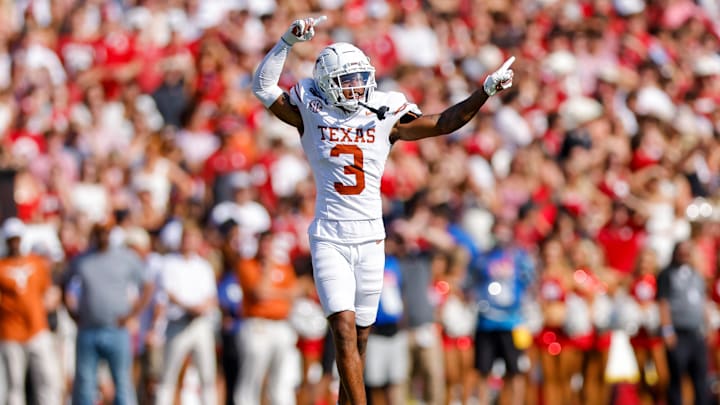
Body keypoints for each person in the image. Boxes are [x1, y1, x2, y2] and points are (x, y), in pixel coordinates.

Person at [252, 15, 515, 405]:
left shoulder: (383, 114)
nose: (357, 87)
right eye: (347, 80)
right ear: (325, 83)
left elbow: (443, 123)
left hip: (372, 238)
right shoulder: (309, 109)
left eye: (361, 77)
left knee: (358, 339)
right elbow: (263, 86)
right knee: (341, 329)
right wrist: (286, 42)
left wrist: (485, 91)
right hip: (329, 237)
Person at [64, 222, 154, 405]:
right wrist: (72, 313)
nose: (103, 237)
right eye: (99, 233)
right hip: (88, 329)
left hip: (116, 329)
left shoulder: (125, 258)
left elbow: (148, 285)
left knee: (122, 381)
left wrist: (132, 315)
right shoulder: (82, 260)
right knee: (85, 383)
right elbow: (63, 283)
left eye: (106, 233)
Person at [0, 217, 62, 405]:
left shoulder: (36, 263)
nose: (15, 244)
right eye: (12, 240)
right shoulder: (1, 267)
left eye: (17, 239)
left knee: (47, 380)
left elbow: (48, 292)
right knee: (14, 386)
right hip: (10, 332)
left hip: (37, 329)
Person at [657, 240, 711, 405]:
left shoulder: (696, 274)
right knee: (676, 375)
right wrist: (667, 330)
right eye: (682, 251)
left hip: (696, 333)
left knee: (700, 375)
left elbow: (702, 301)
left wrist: (708, 326)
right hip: (678, 332)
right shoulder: (667, 274)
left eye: (688, 251)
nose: (685, 254)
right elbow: (663, 302)